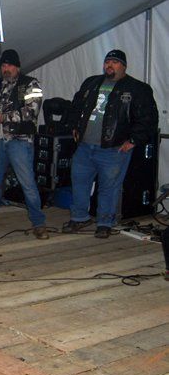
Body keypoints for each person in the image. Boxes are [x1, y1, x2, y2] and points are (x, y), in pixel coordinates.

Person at [62, 50, 158, 238]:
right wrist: (74, 126)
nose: (110, 65)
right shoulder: (91, 82)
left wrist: (133, 140)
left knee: (109, 188)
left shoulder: (137, 88)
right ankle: (79, 218)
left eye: (115, 62)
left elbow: (148, 119)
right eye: (107, 61)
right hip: (85, 146)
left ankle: (105, 223)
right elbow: (75, 106)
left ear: (124, 66)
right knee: (79, 183)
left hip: (113, 149)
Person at [0, 49, 49, 239]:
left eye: (9, 65)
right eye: (3, 65)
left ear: (17, 67)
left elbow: (32, 111)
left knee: (27, 183)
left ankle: (38, 223)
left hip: (20, 141)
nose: (6, 68)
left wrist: (4, 117)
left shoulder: (31, 83)